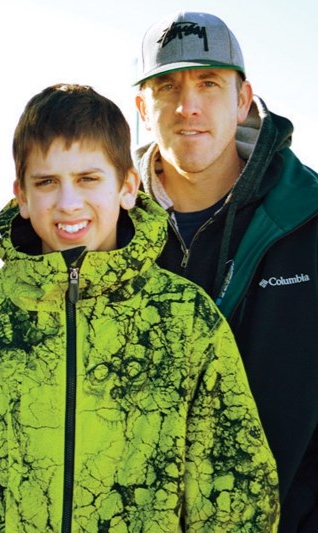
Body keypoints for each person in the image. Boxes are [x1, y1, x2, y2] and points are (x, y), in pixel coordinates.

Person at [0, 83, 279, 532]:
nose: (68, 203)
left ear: (126, 186)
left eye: (88, 179)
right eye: (47, 182)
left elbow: (234, 495)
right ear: (21, 196)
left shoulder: (184, 318)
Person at [134, 12, 318, 531]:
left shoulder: (307, 221)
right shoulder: (109, 234)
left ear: (243, 100)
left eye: (209, 83)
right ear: (143, 108)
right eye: (167, 86)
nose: (188, 105)